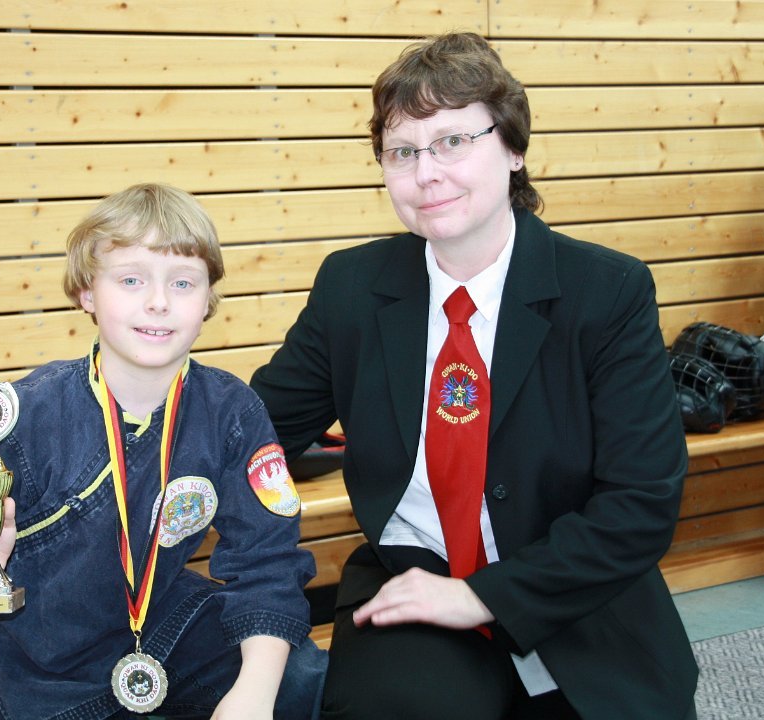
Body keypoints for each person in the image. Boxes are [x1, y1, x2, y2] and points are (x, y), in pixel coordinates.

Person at [250, 33, 698, 720]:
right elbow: (253, 430)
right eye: (402, 152)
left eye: (453, 141)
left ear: (513, 148)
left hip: (575, 588)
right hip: (414, 582)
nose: (426, 173)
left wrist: (482, 596)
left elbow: (641, 501)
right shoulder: (351, 287)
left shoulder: (606, 292)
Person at [0, 183, 327, 720]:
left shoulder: (231, 411)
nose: (159, 302)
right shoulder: (27, 411)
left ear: (208, 299)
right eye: (131, 280)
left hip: (160, 628)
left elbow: (267, 561)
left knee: (296, 673)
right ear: (87, 294)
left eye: (183, 282)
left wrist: (255, 695)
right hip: (38, 662)